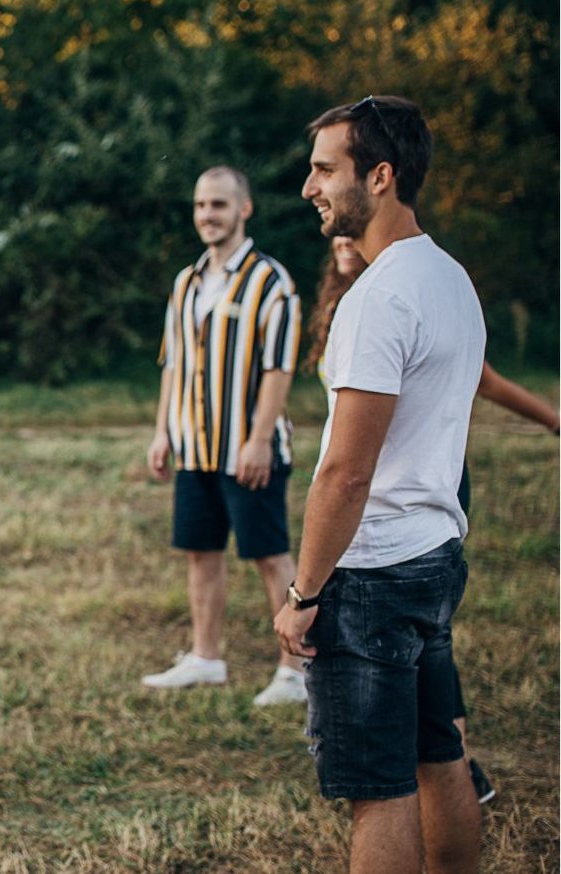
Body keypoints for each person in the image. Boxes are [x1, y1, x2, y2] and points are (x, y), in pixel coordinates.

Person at [277, 95, 484, 873]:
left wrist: (303, 596)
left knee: (381, 788)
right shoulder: (451, 278)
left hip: (372, 573)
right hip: (435, 553)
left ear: (383, 175)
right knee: (440, 756)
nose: (310, 187)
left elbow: (346, 470)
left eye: (326, 169)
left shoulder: (379, 297)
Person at [307, 233, 558, 806]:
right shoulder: (361, 302)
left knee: (417, 677)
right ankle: (449, 757)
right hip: (390, 503)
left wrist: (554, 421)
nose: (342, 241)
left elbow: (349, 471)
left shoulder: (392, 297)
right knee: (423, 661)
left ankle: (455, 758)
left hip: (403, 501)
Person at [142, 166, 306, 707]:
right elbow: (173, 364)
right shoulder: (186, 282)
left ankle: (295, 671)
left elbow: (279, 369)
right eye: (200, 205)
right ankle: (206, 657)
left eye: (218, 204)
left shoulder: (270, 281)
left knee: (269, 555)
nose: (207, 215)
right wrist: (163, 429)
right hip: (193, 447)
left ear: (244, 209)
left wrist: (259, 440)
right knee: (200, 552)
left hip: (246, 450)